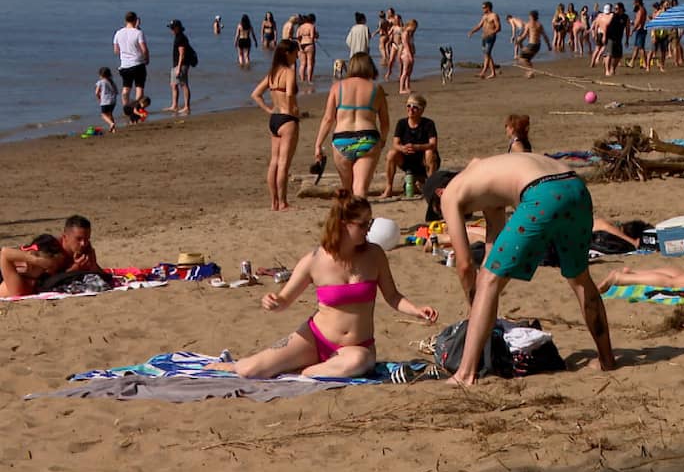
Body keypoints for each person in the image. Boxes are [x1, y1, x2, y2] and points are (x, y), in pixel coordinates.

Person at [424, 154, 616, 385]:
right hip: (575, 186)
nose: (442, 216)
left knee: (488, 281)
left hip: (541, 193)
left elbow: (465, 265)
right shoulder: (483, 180)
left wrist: (472, 304)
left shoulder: (451, 194)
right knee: (580, 278)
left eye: (437, 211)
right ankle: (607, 360)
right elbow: (492, 251)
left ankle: (465, 374)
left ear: (439, 195)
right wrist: (481, 309)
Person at [206, 190, 438, 378]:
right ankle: (234, 365)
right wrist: (272, 301)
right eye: (363, 224)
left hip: (356, 346)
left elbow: (393, 296)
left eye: (370, 222)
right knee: (250, 371)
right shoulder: (314, 260)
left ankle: (303, 372)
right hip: (315, 338)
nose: (369, 229)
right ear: (342, 224)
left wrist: (416, 310)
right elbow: (284, 300)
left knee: (357, 362)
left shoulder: (374, 255)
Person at [314, 53, 389, 197]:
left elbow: (328, 119)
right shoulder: (376, 89)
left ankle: (348, 217)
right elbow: (385, 122)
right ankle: (360, 216)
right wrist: (383, 140)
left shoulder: (338, 87)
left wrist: (318, 144)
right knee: (360, 189)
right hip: (368, 138)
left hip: (342, 139)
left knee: (347, 189)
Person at [251, 40, 301, 211]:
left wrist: (269, 109)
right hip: (287, 118)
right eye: (296, 53)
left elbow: (256, 94)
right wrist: (294, 110)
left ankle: (274, 202)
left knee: (274, 161)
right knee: (284, 162)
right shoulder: (289, 72)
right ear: (288, 53)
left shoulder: (272, 73)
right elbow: (289, 95)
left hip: (274, 119)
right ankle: (283, 202)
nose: (298, 56)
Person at [382, 94, 438, 198]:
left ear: (421, 110)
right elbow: (395, 143)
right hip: (407, 159)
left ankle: (431, 188)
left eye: (415, 107)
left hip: (424, 160)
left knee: (429, 152)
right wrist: (402, 148)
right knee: (391, 153)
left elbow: (433, 144)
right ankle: (388, 188)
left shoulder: (428, 124)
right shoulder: (402, 123)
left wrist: (416, 147)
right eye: (408, 106)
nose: (411, 109)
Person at [0, 234, 65, 298]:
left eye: (36, 255)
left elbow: (4, 253)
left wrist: (35, 260)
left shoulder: (21, 286)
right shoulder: (24, 277)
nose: (28, 262)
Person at [112, 11, 149, 107]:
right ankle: (134, 107)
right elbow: (144, 49)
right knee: (139, 89)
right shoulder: (138, 33)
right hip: (138, 64)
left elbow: (116, 51)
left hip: (125, 65)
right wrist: (147, 59)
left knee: (126, 89)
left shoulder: (118, 33)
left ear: (125, 20)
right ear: (136, 20)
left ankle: (126, 109)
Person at [468, 1, 502, 79]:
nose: (482, 9)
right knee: (487, 55)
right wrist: (472, 31)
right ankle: (492, 73)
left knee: (487, 54)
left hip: (490, 37)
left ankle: (484, 72)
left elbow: (499, 28)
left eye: (484, 7)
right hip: (484, 37)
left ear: (488, 7)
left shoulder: (494, 16)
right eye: (482, 7)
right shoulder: (484, 16)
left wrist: (491, 33)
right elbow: (479, 26)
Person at [165, 19, 193, 115]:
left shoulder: (181, 38)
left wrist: (179, 67)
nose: (171, 30)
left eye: (172, 28)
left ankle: (186, 107)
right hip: (176, 64)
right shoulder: (177, 37)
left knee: (183, 85)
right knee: (173, 85)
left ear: (177, 28)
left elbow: (182, 54)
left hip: (181, 64)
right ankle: (174, 105)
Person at [514, 10, 544, 77]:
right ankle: (530, 72)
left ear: (531, 16)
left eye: (529, 16)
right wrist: (548, 45)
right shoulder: (539, 24)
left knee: (521, 57)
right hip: (538, 45)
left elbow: (524, 35)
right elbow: (544, 35)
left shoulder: (528, 24)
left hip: (532, 45)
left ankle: (531, 71)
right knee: (527, 59)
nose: (528, 17)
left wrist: (518, 41)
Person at [604, 3, 628, 76]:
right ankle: (607, 71)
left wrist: (627, 39)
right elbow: (605, 25)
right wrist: (604, 36)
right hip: (610, 37)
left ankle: (613, 68)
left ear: (621, 9)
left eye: (617, 9)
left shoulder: (625, 17)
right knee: (609, 54)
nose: (615, 10)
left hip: (619, 38)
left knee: (618, 56)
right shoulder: (612, 15)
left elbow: (627, 28)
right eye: (614, 9)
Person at [626, 0, 649, 69]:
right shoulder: (641, 10)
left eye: (634, 3)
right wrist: (633, 23)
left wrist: (632, 30)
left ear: (637, 3)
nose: (633, 5)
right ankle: (632, 62)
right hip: (640, 29)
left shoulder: (641, 10)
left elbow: (638, 22)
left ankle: (645, 64)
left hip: (640, 30)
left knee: (641, 48)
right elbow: (638, 21)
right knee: (636, 47)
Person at [295, 14, 318, 84]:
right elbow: (312, 37)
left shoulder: (300, 27)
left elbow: (297, 36)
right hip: (309, 44)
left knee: (302, 64)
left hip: (301, 45)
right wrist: (316, 36)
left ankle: (302, 80)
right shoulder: (311, 26)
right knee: (310, 63)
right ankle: (309, 80)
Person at [589, 4, 613, 69]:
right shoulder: (610, 16)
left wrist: (595, 34)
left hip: (599, 33)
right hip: (605, 34)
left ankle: (592, 63)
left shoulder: (600, 16)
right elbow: (605, 27)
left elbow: (596, 25)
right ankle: (598, 57)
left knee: (597, 48)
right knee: (604, 47)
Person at [397, 19, 417, 94]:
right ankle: (401, 89)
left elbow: (411, 44)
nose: (415, 29)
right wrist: (410, 56)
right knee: (405, 72)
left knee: (409, 72)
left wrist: (413, 51)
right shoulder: (405, 33)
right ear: (411, 26)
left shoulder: (410, 34)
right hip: (406, 54)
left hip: (410, 53)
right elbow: (406, 45)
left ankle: (407, 87)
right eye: (414, 27)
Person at [95, 67, 117, 133]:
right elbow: (116, 91)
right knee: (110, 114)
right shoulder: (112, 82)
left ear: (100, 75)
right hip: (113, 101)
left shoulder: (100, 82)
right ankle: (113, 130)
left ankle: (111, 124)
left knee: (103, 115)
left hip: (105, 101)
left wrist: (99, 98)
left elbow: (96, 92)